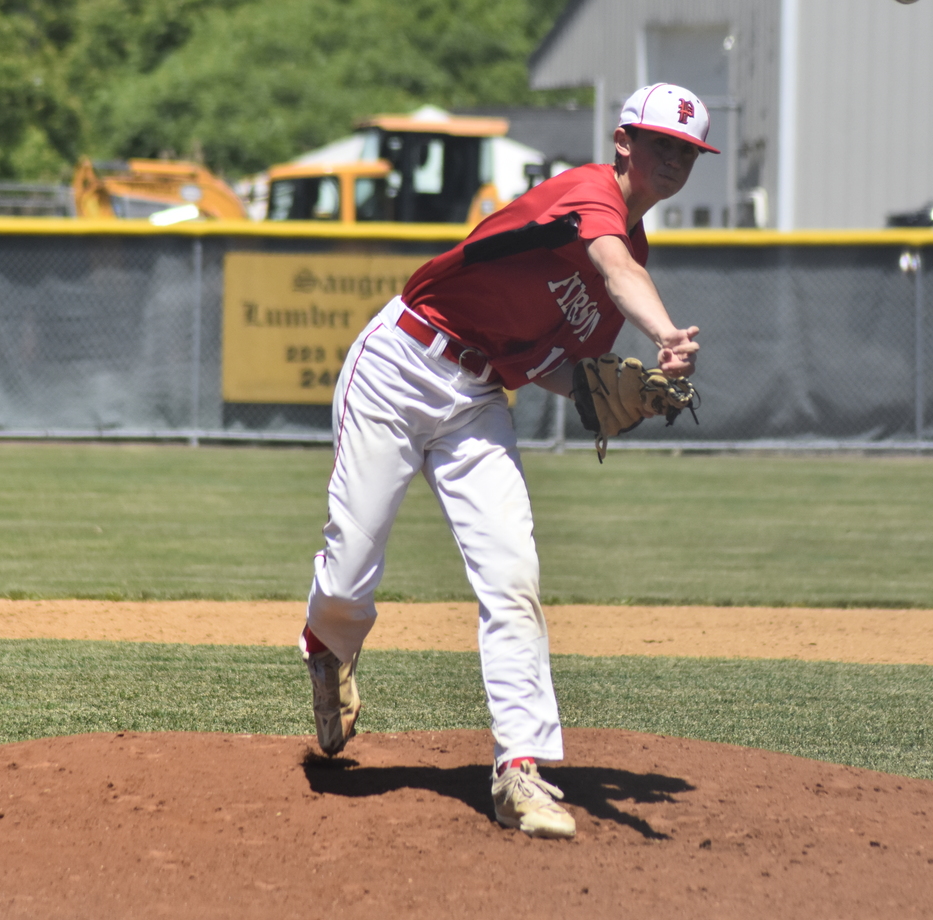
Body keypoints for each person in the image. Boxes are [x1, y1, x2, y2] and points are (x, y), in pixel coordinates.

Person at [300, 83, 715, 839]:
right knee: (353, 559)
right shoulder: (588, 194)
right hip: (403, 360)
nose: (675, 159)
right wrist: (664, 339)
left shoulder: (633, 254)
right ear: (624, 142)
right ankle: (327, 646)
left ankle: (519, 770)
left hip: (481, 397)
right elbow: (615, 268)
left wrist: (601, 388)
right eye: (662, 143)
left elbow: (555, 365)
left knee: (513, 572)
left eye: (688, 151)